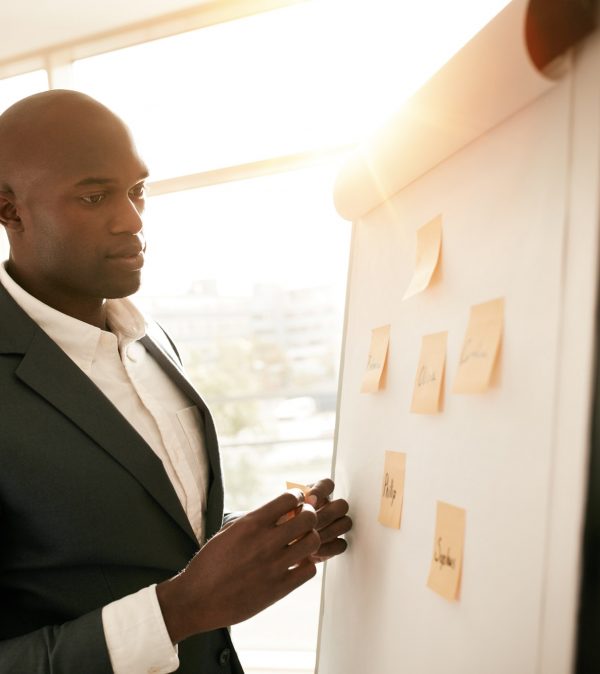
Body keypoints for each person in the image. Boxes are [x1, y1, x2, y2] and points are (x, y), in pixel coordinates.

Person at [0, 90, 352, 674]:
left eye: (138, 191)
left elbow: (151, 536)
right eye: (95, 196)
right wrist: (179, 610)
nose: (133, 220)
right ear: (8, 208)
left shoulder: (152, 341)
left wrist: (270, 533)